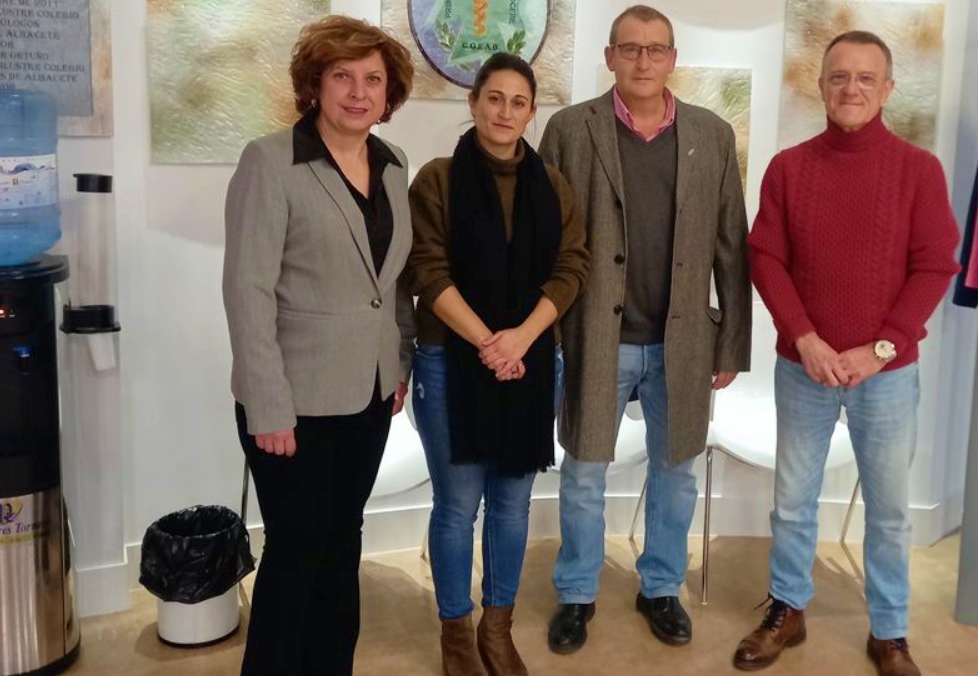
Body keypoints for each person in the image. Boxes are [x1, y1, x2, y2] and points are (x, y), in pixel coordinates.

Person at [733, 31, 960, 676]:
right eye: (839, 77)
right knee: (792, 500)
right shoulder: (789, 167)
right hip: (803, 366)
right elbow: (765, 257)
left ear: (887, 89)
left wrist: (880, 349)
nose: (851, 88)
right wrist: (804, 337)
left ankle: (889, 632)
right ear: (822, 85)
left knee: (888, 511)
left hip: (884, 376)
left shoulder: (918, 171)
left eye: (866, 78)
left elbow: (935, 265)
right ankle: (788, 609)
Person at [538, 4, 751, 654]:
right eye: (630, 49)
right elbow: (546, 240)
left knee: (677, 472)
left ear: (672, 58)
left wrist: (732, 341)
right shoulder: (572, 129)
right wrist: (543, 333)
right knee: (582, 474)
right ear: (609, 57)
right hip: (594, 340)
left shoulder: (712, 134)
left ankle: (660, 586)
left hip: (682, 343)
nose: (643, 61)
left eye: (656, 49)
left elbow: (731, 247)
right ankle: (576, 593)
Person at [222, 15, 416, 676]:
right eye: (343, 76)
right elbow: (247, 291)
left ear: (389, 94)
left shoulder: (394, 166)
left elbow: (391, 286)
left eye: (373, 79)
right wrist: (267, 405)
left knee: (343, 544)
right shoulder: (271, 161)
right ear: (315, 85)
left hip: (368, 393)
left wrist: (398, 364)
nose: (358, 92)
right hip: (292, 404)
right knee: (297, 550)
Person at [404, 52, 589, 676]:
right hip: (448, 360)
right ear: (473, 102)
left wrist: (521, 341)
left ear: (532, 112)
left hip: (533, 361)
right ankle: (456, 634)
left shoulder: (554, 185)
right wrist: (492, 342)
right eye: (494, 98)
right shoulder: (436, 179)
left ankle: (497, 628)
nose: (505, 111)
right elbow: (427, 272)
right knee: (457, 507)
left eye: (519, 102)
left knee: (512, 506)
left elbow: (572, 267)